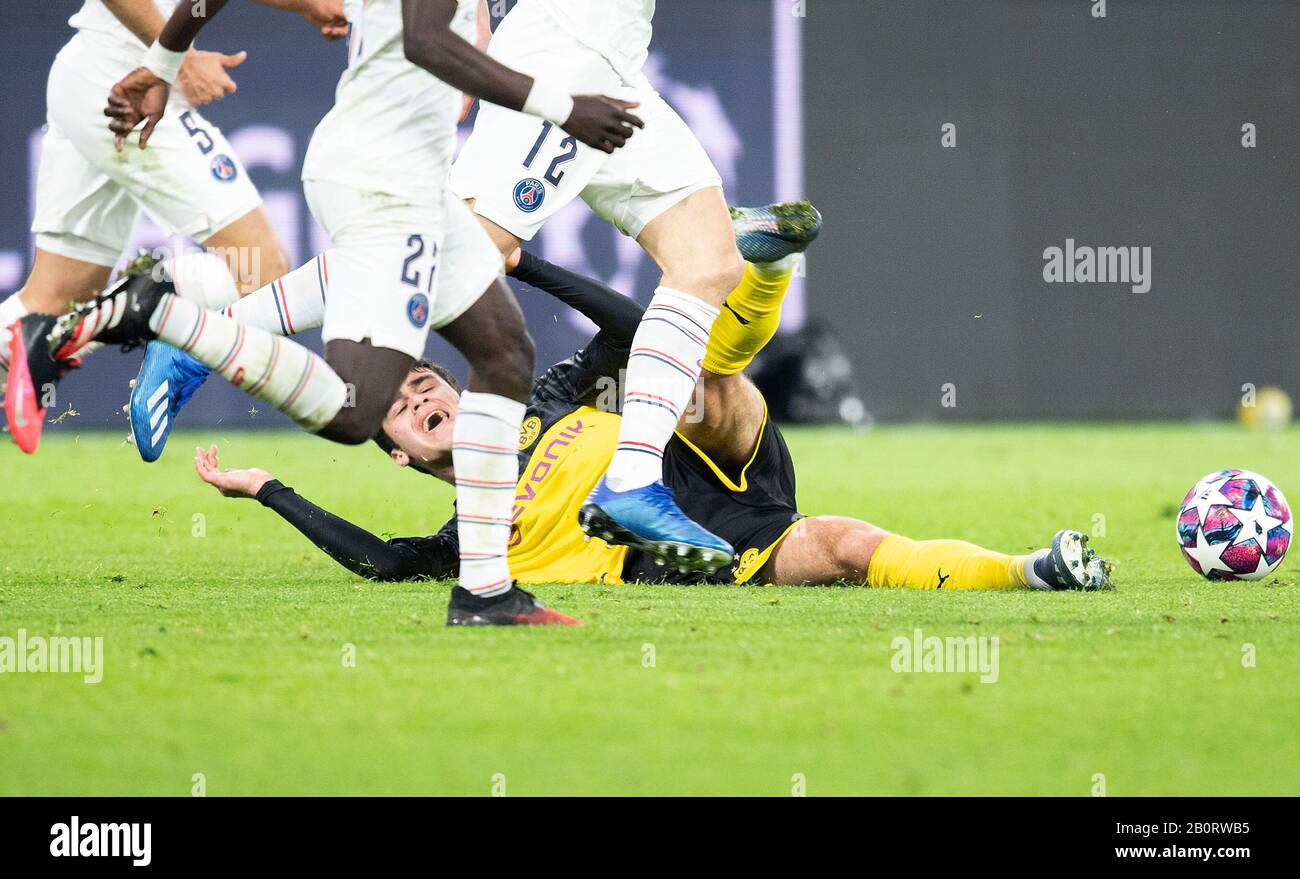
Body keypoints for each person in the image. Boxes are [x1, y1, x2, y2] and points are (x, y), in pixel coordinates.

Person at [15, 0, 644, 627]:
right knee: (355, 412)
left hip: (406, 168)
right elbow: (427, 39)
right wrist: (564, 107)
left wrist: (163, 60)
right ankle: (167, 317)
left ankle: (484, 593)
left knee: (505, 352)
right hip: (382, 174)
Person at [192, 204, 1114, 596]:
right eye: (404, 405)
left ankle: (764, 271)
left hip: (700, 457)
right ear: (397, 452)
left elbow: (635, 329)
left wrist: (530, 265)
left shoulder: (549, 399)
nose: (423, 391)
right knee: (846, 545)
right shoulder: (469, 532)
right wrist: (268, 488)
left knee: (693, 380)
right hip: (695, 551)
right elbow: (383, 563)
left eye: (427, 377)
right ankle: (1035, 571)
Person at [450, 0, 763, 575]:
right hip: (567, 45)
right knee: (455, 260)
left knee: (710, 261)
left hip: (611, 56)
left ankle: (631, 483)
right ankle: (237, 336)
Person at [0, 0, 345, 452]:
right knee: (261, 270)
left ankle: (74, 330)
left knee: (51, 303)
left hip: (91, 77)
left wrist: (307, 5)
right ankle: (158, 309)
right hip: (131, 86)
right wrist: (173, 58)